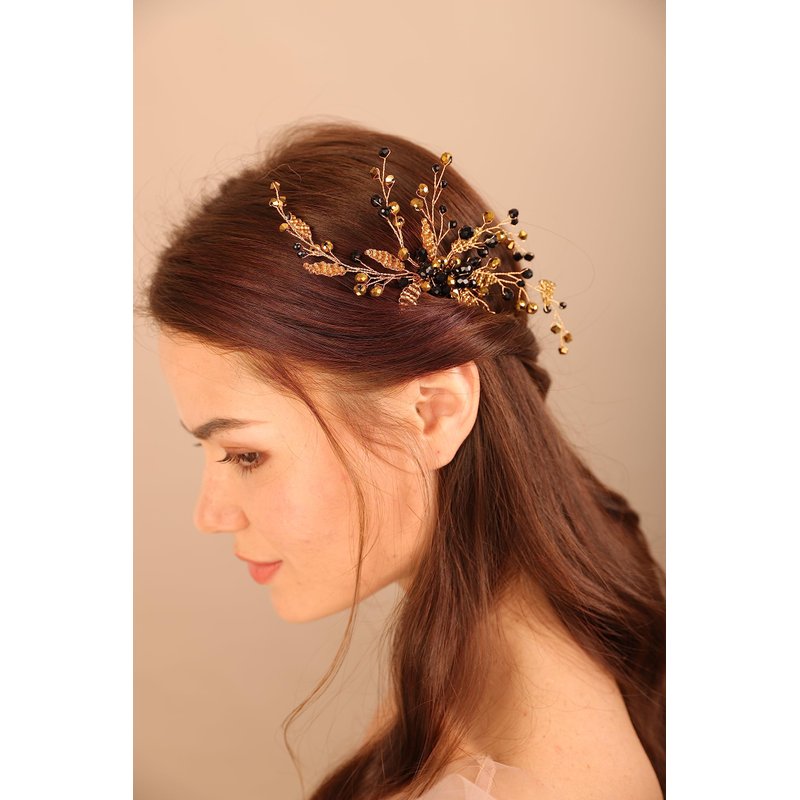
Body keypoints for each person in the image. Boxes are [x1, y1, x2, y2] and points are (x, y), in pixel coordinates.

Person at [146, 120, 665, 800]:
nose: (210, 515)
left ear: (434, 413)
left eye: (246, 453)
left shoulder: (524, 777)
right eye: (209, 450)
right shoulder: (463, 666)